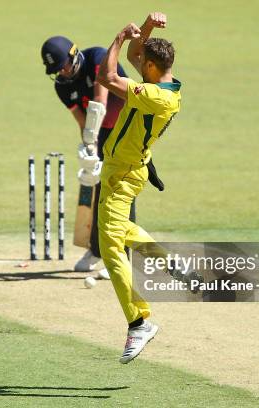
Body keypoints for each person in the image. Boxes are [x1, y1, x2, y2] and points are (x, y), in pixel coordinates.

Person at [96, 12, 181, 363]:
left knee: (111, 248)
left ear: (149, 67)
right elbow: (136, 58)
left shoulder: (156, 98)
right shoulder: (163, 84)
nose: (137, 60)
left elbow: (107, 75)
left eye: (142, 60)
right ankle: (172, 262)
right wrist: (144, 29)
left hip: (123, 175)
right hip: (126, 170)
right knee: (123, 230)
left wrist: (118, 38)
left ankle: (138, 321)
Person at [40, 36, 135, 276]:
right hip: (102, 131)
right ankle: (98, 250)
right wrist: (88, 150)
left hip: (128, 125)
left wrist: (91, 141)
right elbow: (83, 121)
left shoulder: (99, 58)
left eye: (62, 64)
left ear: (74, 54)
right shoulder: (62, 85)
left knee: (121, 188)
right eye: (56, 69)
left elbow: (99, 104)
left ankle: (122, 257)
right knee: (101, 189)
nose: (61, 72)